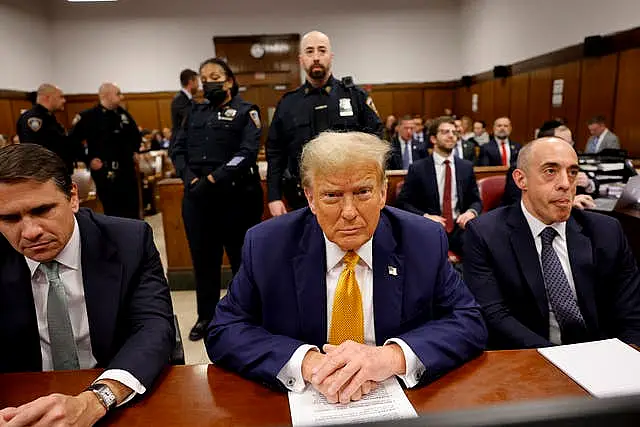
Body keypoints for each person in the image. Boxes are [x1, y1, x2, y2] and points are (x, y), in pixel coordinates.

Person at [207, 131, 486, 403]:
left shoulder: (422, 240)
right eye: (332, 195)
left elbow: (468, 320)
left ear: (382, 192)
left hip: (399, 400)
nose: (350, 212)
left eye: (363, 192)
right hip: (301, 403)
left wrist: (391, 357)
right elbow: (225, 328)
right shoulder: (268, 244)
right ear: (310, 198)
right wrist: (307, 362)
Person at [0, 144, 174, 426]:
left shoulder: (129, 240)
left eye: (43, 210)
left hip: (110, 397)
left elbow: (153, 327)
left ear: (72, 197)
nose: (30, 232)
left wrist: (98, 399)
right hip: (18, 406)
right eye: (10, 218)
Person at [463, 137, 640, 349]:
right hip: (532, 360)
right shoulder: (485, 234)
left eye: (573, 172)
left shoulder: (607, 231)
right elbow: (494, 316)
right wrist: (561, 362)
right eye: (550, 171)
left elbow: (631, 312)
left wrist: (625, 359)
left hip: (603, 358)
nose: (566, 184)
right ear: (521, 180)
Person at [171, 57, 264, 342]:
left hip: (236, 196)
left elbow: (247, 151)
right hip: (198, 199)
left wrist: (213, 179)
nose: (208, 81)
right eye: (203, 76)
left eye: (214, 75)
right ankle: (206, 316)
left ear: (229, 81)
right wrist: (191, 179)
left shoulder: (246, 111)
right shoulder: (194, 112)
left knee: (241, 260)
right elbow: (177, 149)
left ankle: (243, 315)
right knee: (204, 260)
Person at [266, 31, 383, 216]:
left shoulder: (355, 97)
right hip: (301, 197)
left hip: (349, 196)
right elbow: (275, 152)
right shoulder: (288, 104)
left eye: (322, 51)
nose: (316, 57)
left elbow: (377, 141)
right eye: (309, 52)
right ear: (301, 59)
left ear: (331, 56)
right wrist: (274, 196)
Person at [396, 117, 482, 256]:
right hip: (429, 227)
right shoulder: (418, 168)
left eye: (454, 132)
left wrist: (471, 212)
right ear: (433, 139)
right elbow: (403, 203)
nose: (451, 135)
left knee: (479, 250)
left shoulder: (465, 167)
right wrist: (426, 216)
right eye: (445, 132)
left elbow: (476, 200)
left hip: (459, 228)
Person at [67, 83, 141, 219]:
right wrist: (88, 160)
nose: (122, 97)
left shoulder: (123, 115)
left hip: (127, 171)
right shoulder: (89, 117)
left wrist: (135, 151)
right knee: (114, 214)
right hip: (106, 173)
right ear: (105, 95)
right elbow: (72, 141)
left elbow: (136, 135)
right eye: (118, 94)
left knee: (132, 212)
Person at [501, 120, 596, 209]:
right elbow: (518, 203)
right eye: (550, 171)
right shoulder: (522, 167)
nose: (567, 147)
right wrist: (566, 201)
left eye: (570, 143)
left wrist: (588, 184)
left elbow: (594, 186)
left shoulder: (571, 163)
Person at [16, 84, 82, 175]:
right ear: (48, 97)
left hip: (57, 173)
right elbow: (36, 150)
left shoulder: (48, 117)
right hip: (47, 175)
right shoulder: (34, 118)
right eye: (61, 97)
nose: (64, 100)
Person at [170, 69, 199, 150]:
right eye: (197, 82)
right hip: (181, 145)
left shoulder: (190, 100)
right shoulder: (179, 99)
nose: (198, 86)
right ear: (191, 82)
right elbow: (191, 118)